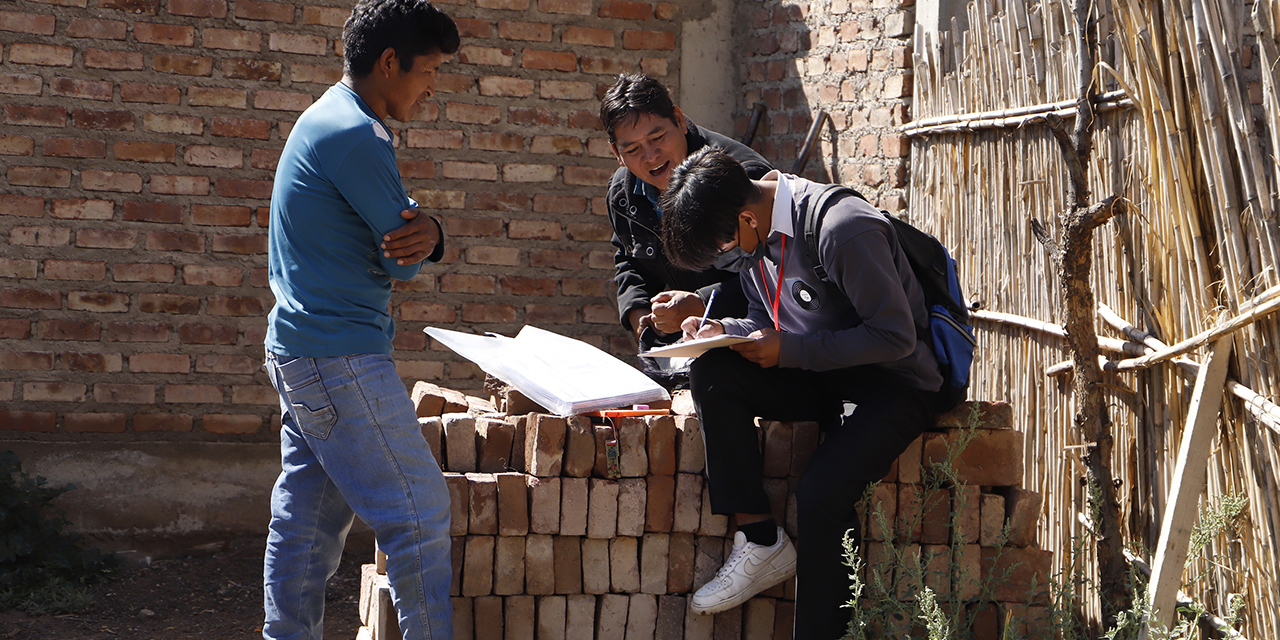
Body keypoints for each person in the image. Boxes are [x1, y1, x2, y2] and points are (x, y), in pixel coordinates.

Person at [660, 148, 944, 639]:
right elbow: (764, 318)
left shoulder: (842, 228)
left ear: (746, 217)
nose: (730, 255)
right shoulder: (757, 235)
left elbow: (895, 336)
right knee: (714, 370)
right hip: (824, 370)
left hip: (895, 383)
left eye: (726, 244)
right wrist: (720, 329)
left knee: (820, 492)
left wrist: (790, 351)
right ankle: (760, 539)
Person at [260, 0, 458, 638]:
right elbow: (403, 261)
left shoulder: (327, 116)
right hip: (338, 356)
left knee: (310, 520)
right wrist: (423, 230)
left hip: (302, 348)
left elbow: (406, 238)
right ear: (390, 61)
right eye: (428, 71)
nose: (432, 88)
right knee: (420, 512)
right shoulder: (356, 135)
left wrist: (424, 228)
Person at [601, 74, 772, 366]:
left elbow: (776, 270)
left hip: (753, 349)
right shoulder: (623, 193)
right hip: (682, 350)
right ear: (617, 153)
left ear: (679, 120)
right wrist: (640, 317)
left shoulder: (737, 177)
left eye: (658, 138)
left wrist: (703, 303)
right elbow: (628, 259)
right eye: (633, 150)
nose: (652, 156)